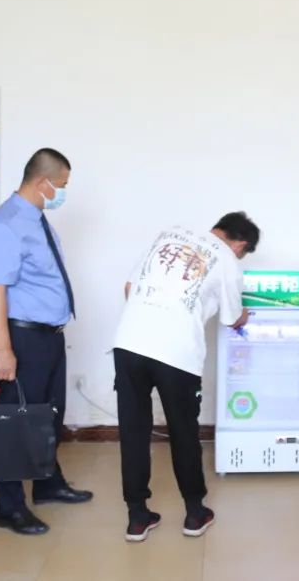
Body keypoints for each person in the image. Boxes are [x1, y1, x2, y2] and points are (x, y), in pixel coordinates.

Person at [113, 213, 260, 543]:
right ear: (240, 245)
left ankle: (137, 517)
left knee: (133, 431)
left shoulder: (170, 234)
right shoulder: (227, 260)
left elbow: (129, 287)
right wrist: (244, 315)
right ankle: (195, 513)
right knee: (183, 432)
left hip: (129, 343)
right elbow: (232, 318)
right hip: (177, 355)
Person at [0, 148, 92, 536]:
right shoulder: (5, 225)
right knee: (14, 422)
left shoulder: (36, 220)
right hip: (23, 338)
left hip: (49, 337)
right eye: (61, 185)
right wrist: (4, 350)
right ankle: (8, 507)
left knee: (48, 415)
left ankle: (48, 483)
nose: (62, 192)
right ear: (42, 182)